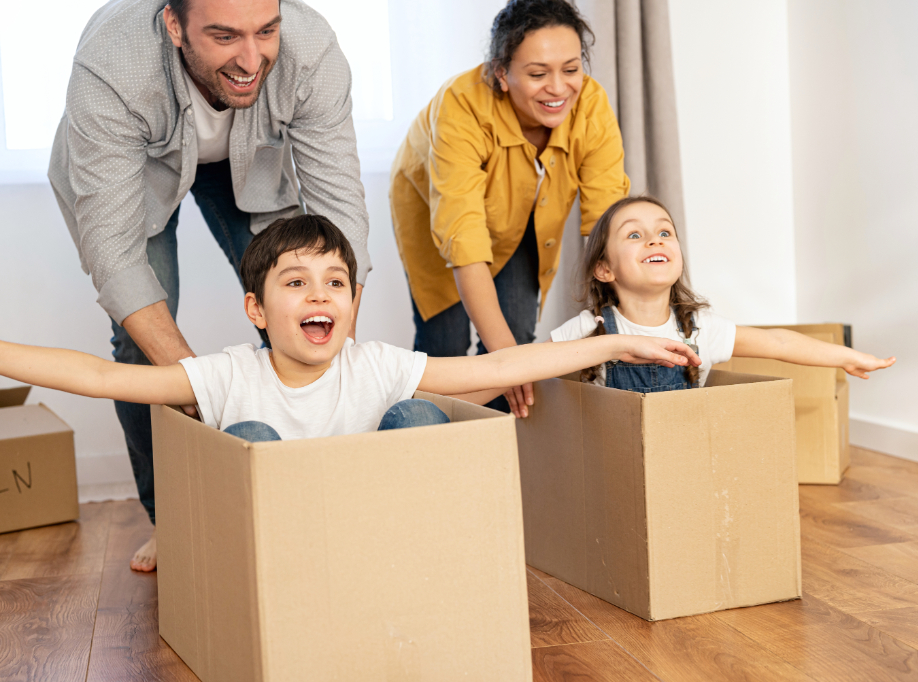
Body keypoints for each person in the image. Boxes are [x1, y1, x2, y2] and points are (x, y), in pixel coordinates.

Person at [47, 0, 370, 571]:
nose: (252, 57)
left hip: (251, 162)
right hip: (134, 168)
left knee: (305, 315)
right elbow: (115, 255)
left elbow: (338, 219)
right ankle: (171, 519)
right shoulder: (112, 62)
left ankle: (298, 503)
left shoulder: (311, 48)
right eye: (224, 36)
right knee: (139, 349)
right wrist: (198, 386)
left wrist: (331, 334)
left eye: (266, 31)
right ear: (175, 25)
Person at [0, 215, 700, 448]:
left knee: (424, 415)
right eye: (296, 283)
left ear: (352, 305)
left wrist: (613, 342)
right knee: (247, 443)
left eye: (335, 283)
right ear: (256, 311)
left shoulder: (374, 364)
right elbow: (102, 377)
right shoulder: (227, 374)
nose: (320, 295)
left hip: (368, 529)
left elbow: (491, 370)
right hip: (274, 542)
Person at [390, 0, 629, 414]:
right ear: (502, 73)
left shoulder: (591, 106)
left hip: (524, 216)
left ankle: (496, 454)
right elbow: (463, 240)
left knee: (514, 335)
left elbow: (607, 225)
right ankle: (428, 449)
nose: (558, 88)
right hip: (439, 213)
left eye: (571, 69)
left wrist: (626, 320)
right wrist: (510, 365)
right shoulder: (460, 106)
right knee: (445, 344)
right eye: (538, 74)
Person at [546, 197, 896, 392]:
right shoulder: (590, 328)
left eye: (665, 232)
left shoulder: (699, 329)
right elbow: (531, 365)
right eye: (634, 236)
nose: (655, 240)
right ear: (605, 269)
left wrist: (844, 356)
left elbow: (779, 344)